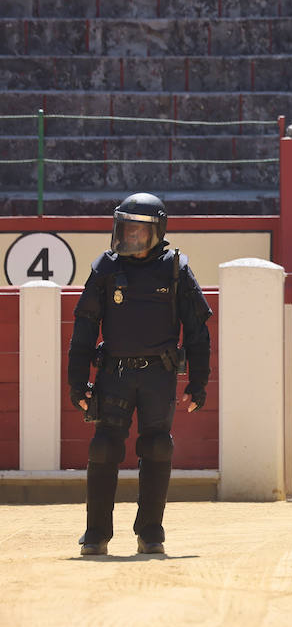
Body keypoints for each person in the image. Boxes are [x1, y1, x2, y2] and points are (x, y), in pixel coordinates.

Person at [68, 193, 213, 557]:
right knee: (103, 448)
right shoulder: (105, 267)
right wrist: (76, 383)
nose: (130, 237)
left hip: (158, 377)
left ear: (157, 231)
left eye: (138, 230)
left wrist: (199, 383)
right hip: (113, 374)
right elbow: (84, 327)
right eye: (125, 229)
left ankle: (151, 533)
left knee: (157, 446)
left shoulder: (177, 268)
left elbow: (197, 331)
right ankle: (95, 534)